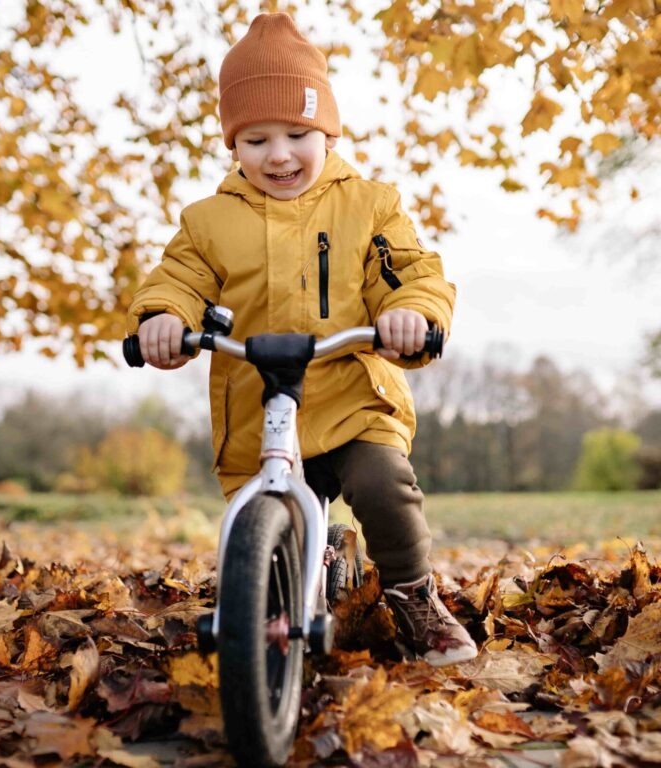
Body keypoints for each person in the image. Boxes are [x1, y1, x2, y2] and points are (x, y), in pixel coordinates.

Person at [127, 13, 477, 667]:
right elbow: (179, 279)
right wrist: (162, 318)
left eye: (297, 134)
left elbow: (409, 274)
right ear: (233, 145)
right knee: (263, 527)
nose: (279, 154)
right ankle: (271, 610)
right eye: (256, 139)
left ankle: (413, 595)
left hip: (351, 398)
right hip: (262, 410)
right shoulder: (208, 222)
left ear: (328, 132)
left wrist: (409, 312)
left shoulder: (370, 206)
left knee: (383, 484)